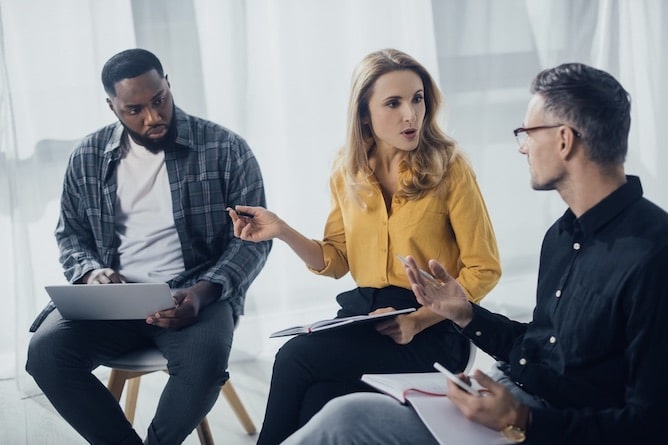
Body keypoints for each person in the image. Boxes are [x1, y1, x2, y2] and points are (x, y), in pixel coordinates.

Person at [280, 62, 668, 445]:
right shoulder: (562, 237)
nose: (522, 147)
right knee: (338, 412)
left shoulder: (653, 255)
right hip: (509, 393)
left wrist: (522, 419)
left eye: (527, 133)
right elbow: (539, 347)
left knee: (326, 394)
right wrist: (465, 313)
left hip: (546, 422)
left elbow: (650, 424)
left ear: (564, 140)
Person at [227, 48, 502, 444]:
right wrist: (283, 231)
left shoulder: (451, 168)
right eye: (394, 103)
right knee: (318, 402)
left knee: (294, 356)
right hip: (367, 320)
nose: (411, 114)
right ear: (363, 114)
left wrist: (417, 320)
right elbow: (335, 259)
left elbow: (484, 269)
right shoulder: (348, 170)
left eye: (417, 99)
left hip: (434, 331)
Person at [25, 48, 271, 445]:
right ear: (113, 107)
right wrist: (91, 272)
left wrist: (204, 293)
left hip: (194, 295)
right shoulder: (87, 157)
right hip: (114, 301)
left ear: (168, 84)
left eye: (159, 100)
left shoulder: (226, 148)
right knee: (45, 355)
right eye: (135, 109)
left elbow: (253, 243)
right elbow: (70, 234)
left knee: (204, 366)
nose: (153, 117)